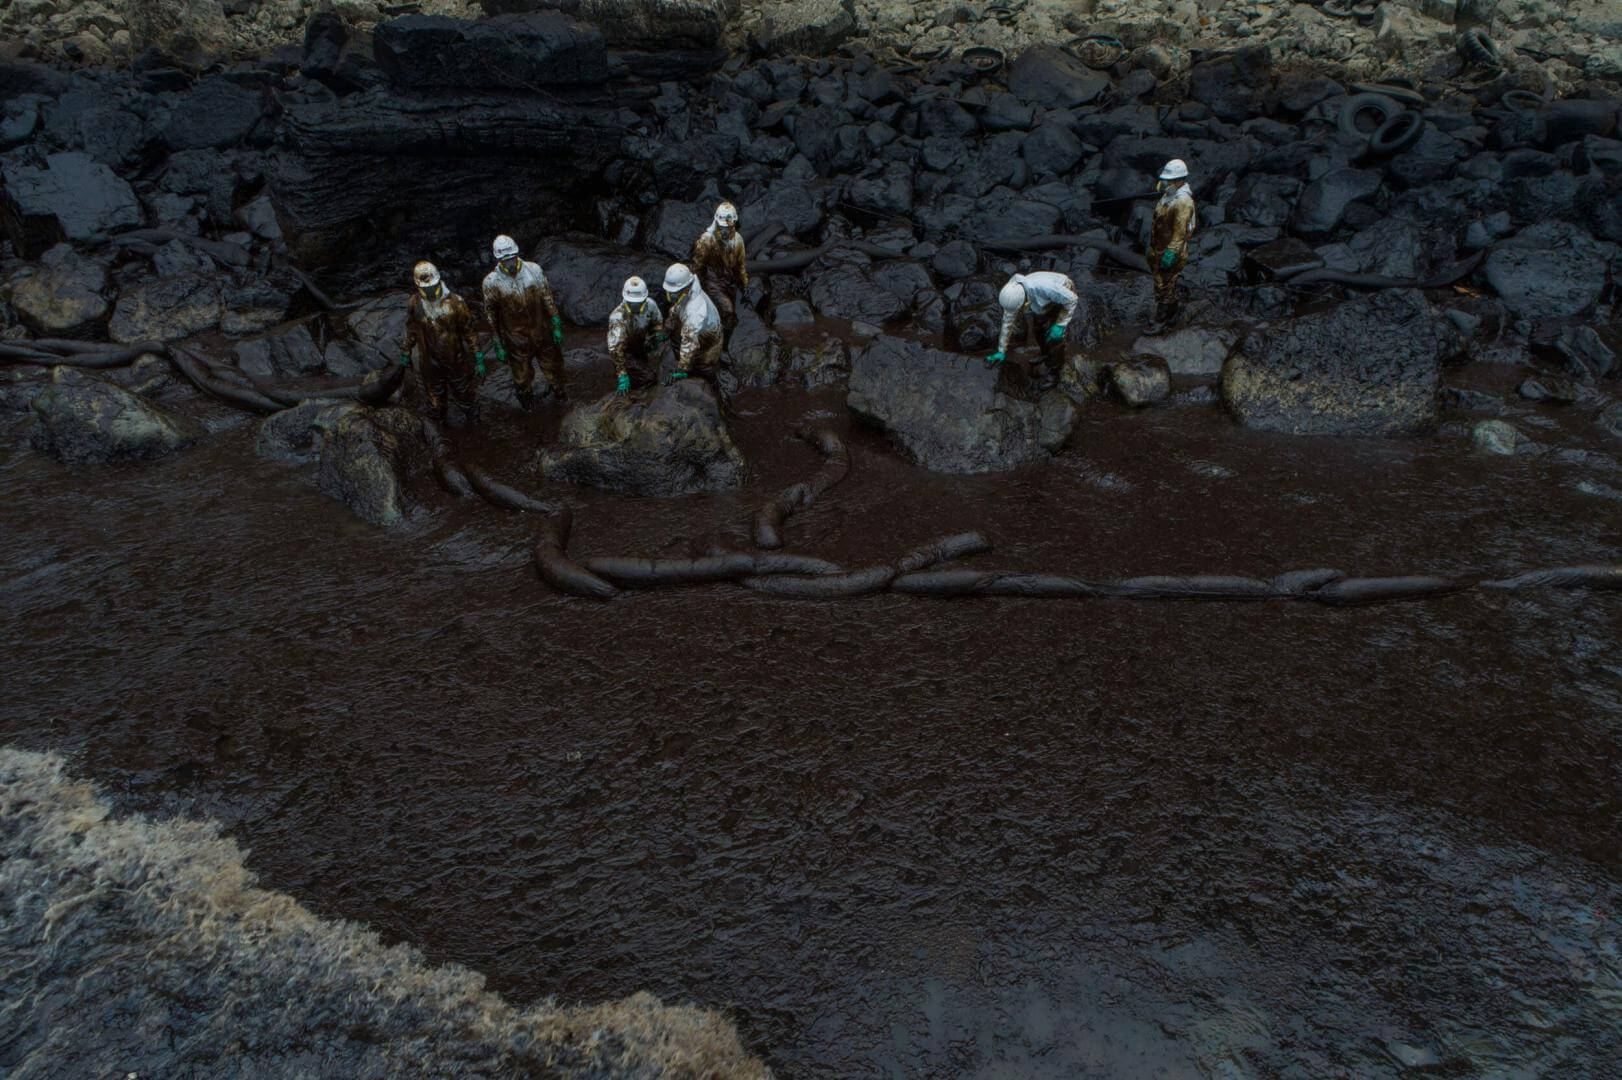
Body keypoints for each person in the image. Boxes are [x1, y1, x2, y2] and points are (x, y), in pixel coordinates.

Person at [480, 234, 566, 409]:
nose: (510, 263)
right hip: (516, 339)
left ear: (517, 254)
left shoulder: (533, 270)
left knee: (554, 369)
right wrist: (497, 342)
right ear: (498, 260)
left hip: (542, 331)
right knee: (521, 377)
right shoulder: (491, 282)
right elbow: (491, 315)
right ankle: (527, 406)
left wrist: (556, 323)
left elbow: (547, 298)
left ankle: (561, 398)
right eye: (505, 260)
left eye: (512, 258)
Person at [400, 260, 482, 425]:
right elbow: (411, 330)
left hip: (456, 359)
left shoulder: (456, 303)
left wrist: (478, 354)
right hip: (429, 363)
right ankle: (441, 432)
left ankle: (476, 426)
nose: (429, 290)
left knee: (465, 397)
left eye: (431, 286)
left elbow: (469, 331)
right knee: (435, 403)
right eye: (425, 288)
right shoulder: (414, 303)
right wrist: (406, 351)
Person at [984, 271, 1079, 392]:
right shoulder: (1012, 294)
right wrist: (1001, 350)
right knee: (1038, 328)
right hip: (1040, 302)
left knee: (1055, 337)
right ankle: (1046, 354)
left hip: (1064, 293)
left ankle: (1054, 373)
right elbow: (1007, 323)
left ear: (1024, 302)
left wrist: (1060, 325)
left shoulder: (1046, 288)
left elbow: (1072, 299)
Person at [1147, 158, 1196, 328]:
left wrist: (1171, 252)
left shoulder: (1183, 201)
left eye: (1168, 180)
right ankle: (1172, 311)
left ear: (1179, 180)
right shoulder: (1170, 195)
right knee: (1161, 281)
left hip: (1171, 249)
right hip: (1159, 246)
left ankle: (1162, 320)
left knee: (1164, 284)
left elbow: (1180, 231)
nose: (1165, 183)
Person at [690, 201, 748, 340]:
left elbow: (740, 266)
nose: (725, 231)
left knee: (726, 313)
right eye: (722, 227)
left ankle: (720, 342)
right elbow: (697, 266)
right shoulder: (706, 240)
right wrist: (695, 289)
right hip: (712, 282)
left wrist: (744, 285)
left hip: (729, 282)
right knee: (728, 311)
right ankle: (720, 344)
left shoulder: (738, 240)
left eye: (728, 227)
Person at [659, 262, 723, 385]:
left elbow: (689, 339)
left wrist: (682, 368)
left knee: (703, 366)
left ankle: (713, 384)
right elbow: (676, 309)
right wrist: (666, 329)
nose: (672, 295)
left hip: (710, 336)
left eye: (675, 292)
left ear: (686, 286)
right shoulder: (685, 292)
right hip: (695, 327)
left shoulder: (695, 309)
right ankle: (683, 357)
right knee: (677, 332)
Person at [608, 275, 665, 395]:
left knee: (649, 363)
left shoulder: (650, 305)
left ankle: (636, 369)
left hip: (641, 345)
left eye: (638, 303)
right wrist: (622, 374)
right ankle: (626, 377)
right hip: (625, 352)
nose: (635, 306)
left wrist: (658, 334)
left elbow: (657, 322)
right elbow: (616, 349)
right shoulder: (618, 317)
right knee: (650, 378)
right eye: (632, 303)